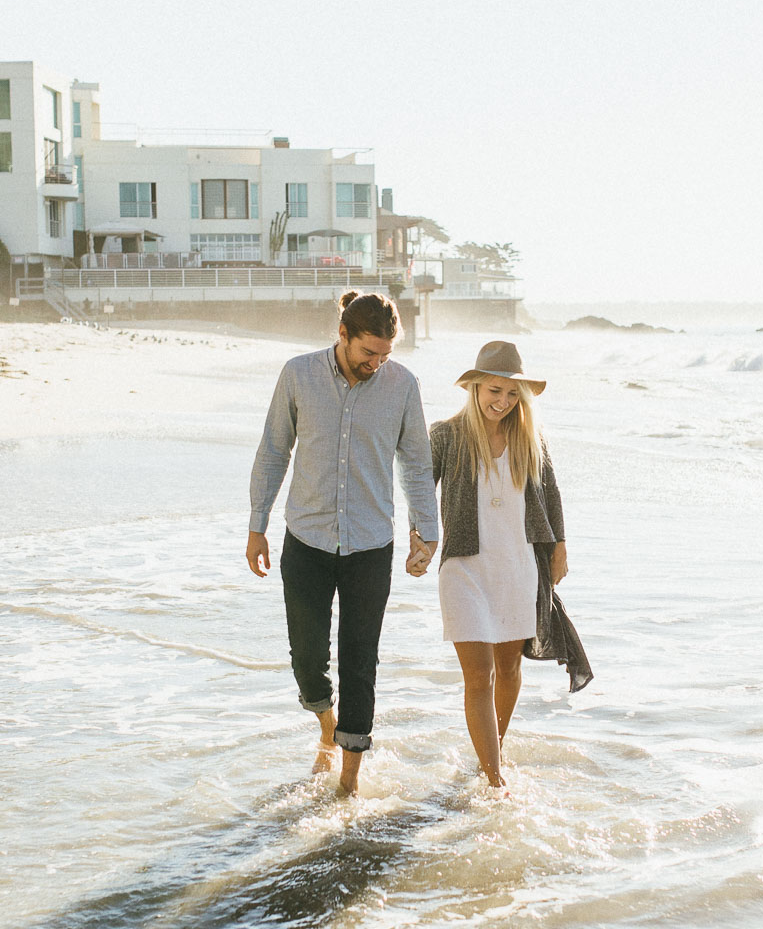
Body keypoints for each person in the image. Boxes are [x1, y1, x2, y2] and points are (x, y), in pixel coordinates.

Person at [247, 291, 440, 795]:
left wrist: (427, 529)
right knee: (307, 659)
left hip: (371, 546)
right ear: (343, 335)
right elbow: (273, 450)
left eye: (384, 355)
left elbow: (417, 464)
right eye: (366, 353)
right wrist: (256, 524)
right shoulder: (299, 375)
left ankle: (348, 782)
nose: (375, 364)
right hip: (305, 539)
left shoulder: (402, 386)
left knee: (361, 659)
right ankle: (327, 728)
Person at [418, 340, 588, 792]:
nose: (503, 402)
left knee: (510, 670)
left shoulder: (529, 439)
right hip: (464, 571)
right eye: (496, 390)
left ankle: (489, 756)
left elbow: (551, 495)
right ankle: (495, 780)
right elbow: (418, 488)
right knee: (480, 675)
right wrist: (421, 538)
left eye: (513, 395)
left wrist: (560, 547)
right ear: (474, 386)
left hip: (517, 565)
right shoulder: (446, 435)